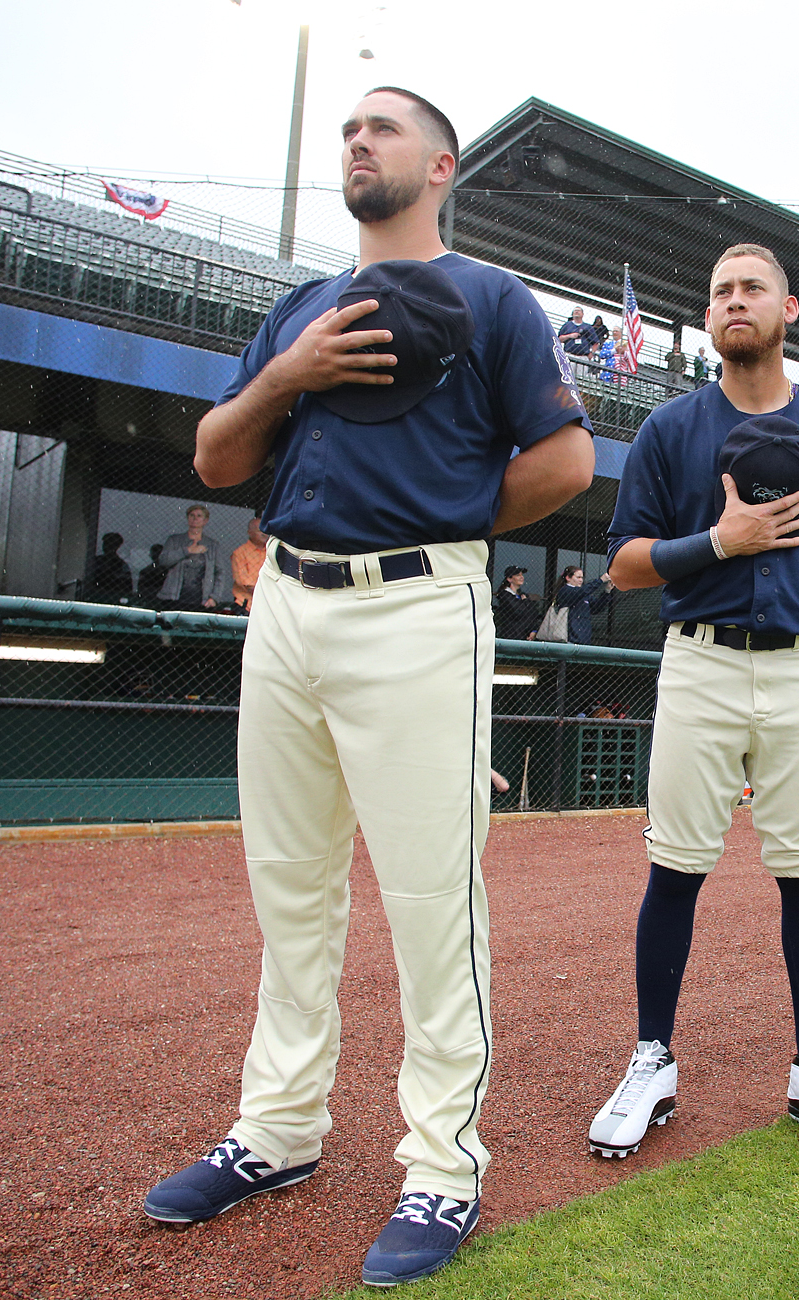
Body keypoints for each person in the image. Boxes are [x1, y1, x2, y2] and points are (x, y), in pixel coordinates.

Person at [140, 86, 594, 1287]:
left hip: (412, 604)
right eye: (348, 127)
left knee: (431, 902)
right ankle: (280, 1132)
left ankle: (444, 1167)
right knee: (290, 889)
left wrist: (443, 522)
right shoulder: (299, 307)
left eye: (383, 127)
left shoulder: (496, 299)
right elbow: (215, 454)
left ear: (440, 165)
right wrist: (287, 369)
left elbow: (565, 458)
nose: (357, 138)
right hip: (284, 601)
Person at [592, 241, 799, 1163]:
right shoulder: (670, 428)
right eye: (721, 289)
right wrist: (720, 544)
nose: (735, 301)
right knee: (676, 865)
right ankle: (654, 1057)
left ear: (788, 309)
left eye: (752, 288)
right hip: (700, 660)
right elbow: (623, 563)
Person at [157, 504, 231, 610]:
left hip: (201, 600)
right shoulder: (174, 540)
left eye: (199, 516)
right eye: (192, 515)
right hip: (173, 598)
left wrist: (214, 597)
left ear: (205, 521)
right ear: (187, 518)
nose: (195, 518)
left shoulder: (213, 545)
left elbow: (220, 573)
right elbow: (163, 560)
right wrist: (187, 550)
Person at [552, 564, 615, 644]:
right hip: (568, 640)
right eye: (578, 577)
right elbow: (582, 592)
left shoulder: (583, 595)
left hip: (584, 640)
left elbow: (597, 608)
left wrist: (607, 591)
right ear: (568, 578)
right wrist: (600, 580)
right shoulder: (565, 591)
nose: (581, 580)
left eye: (582, 577)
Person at [82, 532, 136, 603]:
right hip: (94, 599)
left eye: (109, 544)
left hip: (113, 601)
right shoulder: (95, 561)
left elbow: (127, 587)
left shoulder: (121, 565)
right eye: (105, 544)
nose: (105, 546)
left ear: (116, 547)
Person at [230, 516, 267, 612]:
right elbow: (243, 581)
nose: (264, 534)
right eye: (260, 530)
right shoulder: (240, 552)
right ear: (249, 533)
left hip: (266, 603)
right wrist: (266, 589)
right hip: (245, 603)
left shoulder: (271, 552)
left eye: (265, 530)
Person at [493, 564, 538, 639]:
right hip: (510, 636)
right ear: (509, 579)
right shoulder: (504, 595)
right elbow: (518, 611)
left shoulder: (523, 595)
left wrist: (533, 630)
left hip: (524, 636)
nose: (521, 577)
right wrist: (525, 602)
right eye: (517, 575)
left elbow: (532, 613)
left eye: (522, 575)